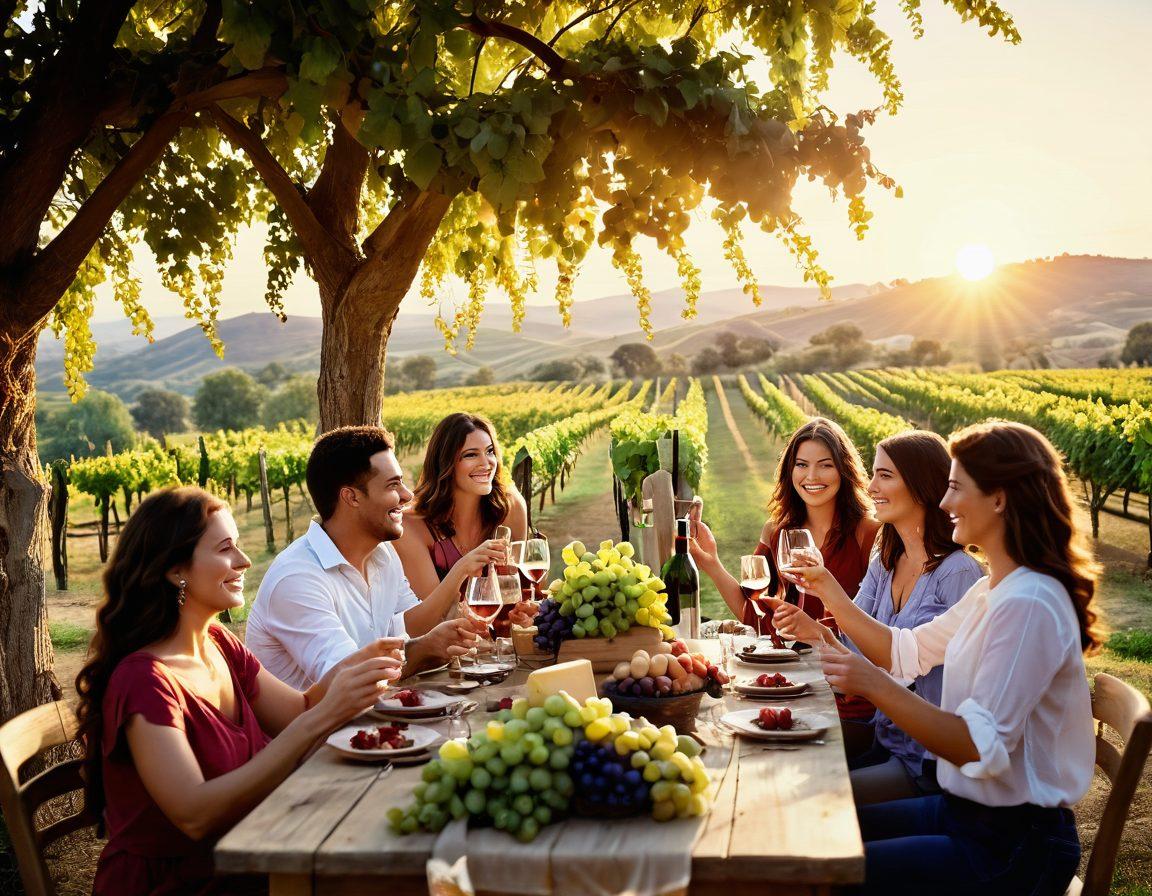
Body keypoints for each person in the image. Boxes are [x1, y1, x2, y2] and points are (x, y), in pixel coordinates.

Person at [775, 421, 1098, 895]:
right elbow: (907, 652)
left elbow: (977, 746)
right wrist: (846, 646)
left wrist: (871, 683)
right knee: (812, 833)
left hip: (1011, 843)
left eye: (955, 488)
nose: (944, 503)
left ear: (1000, 498)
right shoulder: (994, 588)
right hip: (965, 812)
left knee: (818, 871)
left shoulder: (1028, 602)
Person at [76, 487, 403, 895]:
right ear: (176, 569)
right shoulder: (144, 681)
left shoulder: (217, 641)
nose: (244, 561)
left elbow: (298, 708)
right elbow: (195, 814)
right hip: (182, 884)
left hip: (251, 855)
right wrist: (324, 714)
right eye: (226, 548)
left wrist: (357, 666)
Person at [766, 431, 983, 804]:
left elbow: (897, 662)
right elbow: (856, 646)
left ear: (920, 484)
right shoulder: (885, 558)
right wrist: (814, 632)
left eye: (885, 475)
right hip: (887, 738)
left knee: (805, 797)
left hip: (925, 763)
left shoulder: (958, 573)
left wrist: (829, 593)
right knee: (777, 765)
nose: (870, 486)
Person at [689, 417, 880, 752]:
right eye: (801, 465)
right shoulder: (777, 531)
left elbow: (877, 630)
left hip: (845, 694)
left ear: (844, 471)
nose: (811, 477)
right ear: (789, 472)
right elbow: (755, 614)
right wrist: (712, 564)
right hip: (790, 680)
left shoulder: (868, 533)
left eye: (825, 466)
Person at [246, 426, 487, 691]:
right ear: (351, 497)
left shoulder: (382, 554)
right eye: (393, 485)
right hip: (319, 730)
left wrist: (451, 624)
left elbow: (409, 624)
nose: (407, 496)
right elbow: (350, 679)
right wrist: (425, 649)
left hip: (371, 717)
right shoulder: (297, 579)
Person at [394, 412, 536, 628]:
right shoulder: (411, 525)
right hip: (448, 653)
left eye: (489, 452)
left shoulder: (511, 507)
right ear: (446, 464)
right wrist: (463, 567)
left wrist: (524, 612)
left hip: (503, 648)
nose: (486, 463)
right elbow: (433, 619)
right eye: (470, 455)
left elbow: (523, 590)